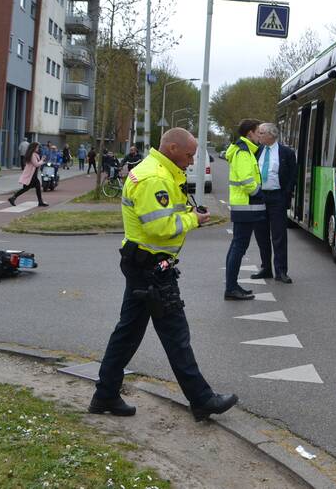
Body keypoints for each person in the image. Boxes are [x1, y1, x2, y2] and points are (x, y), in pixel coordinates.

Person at [90, 127, 238, 421]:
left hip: (144, 263)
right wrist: (193, 219)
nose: (191, 161)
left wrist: (188, 213)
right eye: (189, 155)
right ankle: (202, 399)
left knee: (128, 334)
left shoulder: (158, 171)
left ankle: (105, 394)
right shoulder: (154, 178)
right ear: (172, 149)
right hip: (151, 267)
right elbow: (159, 227)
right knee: (175, 334)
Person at [223, 119, 269, 300]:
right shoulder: (243, 152)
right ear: (250, 133)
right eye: (258, 132)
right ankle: (231, 288)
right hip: (246, 205)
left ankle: (232, 286)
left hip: (244, 205)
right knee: (239, 247)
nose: (260, 136)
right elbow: (246, 180)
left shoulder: (244, 150)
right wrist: (259, 194)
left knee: (237, 245)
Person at [251, 122, 298, 283]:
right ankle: (266, 268)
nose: (258, 136)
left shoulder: (286, 153)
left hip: (277, 197)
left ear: (271, 135)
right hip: (260, 197)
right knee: (261, 234)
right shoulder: (257, 151)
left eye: (261, 133)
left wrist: (286, 194)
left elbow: (293, 175)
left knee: (279, 236)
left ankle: (281, 271)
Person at [8, 142, 48, 207]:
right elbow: (36, 164)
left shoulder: (35, 154)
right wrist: (42, 161)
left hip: (33, 175)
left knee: (28, 188)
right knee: (34, 187)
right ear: (34, 147)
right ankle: (40, 202)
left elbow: (37, 163)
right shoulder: (32, 155)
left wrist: (41, 159)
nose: (38, 148)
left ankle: (13, 198)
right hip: (31, 175)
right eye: (37, 147)